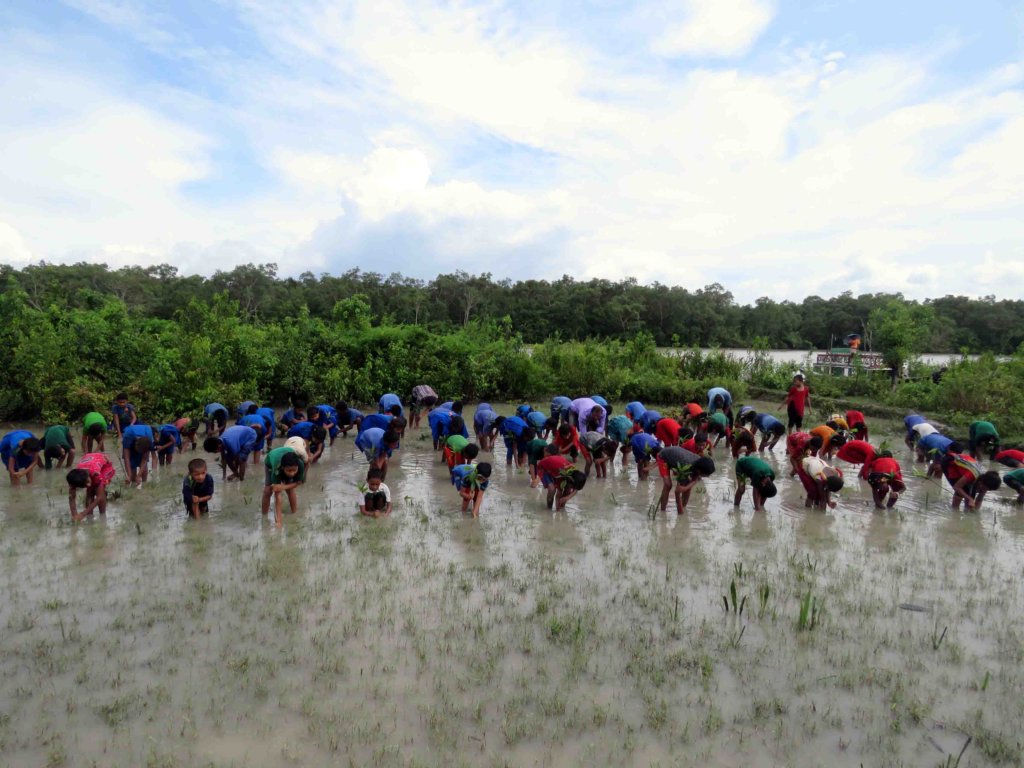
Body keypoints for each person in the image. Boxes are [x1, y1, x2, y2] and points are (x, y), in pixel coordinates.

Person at [655, 446, 715, 514]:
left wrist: (686, 487)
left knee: (687, 487)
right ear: (700, 471)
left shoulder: (700, 463)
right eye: (707, 474)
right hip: (663, 457)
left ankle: (683, 507)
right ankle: (663, 511)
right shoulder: (687, 466)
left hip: (676, 457)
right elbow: (678, 491)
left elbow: (692, 482)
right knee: (668, 485)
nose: (708, 476)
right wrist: (680, 513)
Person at [262, 446, 305, 527]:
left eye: (294, 470)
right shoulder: (277, 468)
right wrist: (279, 521)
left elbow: (299, 482)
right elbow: (277, 495)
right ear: (283, 468)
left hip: (288, 453)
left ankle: (294, 513)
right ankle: (264, 516)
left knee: (290, 490)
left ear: (297, 467)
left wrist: (284, 487)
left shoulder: (300, 464)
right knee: (267, 491)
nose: (292, 473)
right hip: (271, 460)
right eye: (289, 470)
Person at [66, 453, 116, 521]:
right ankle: (90, 517)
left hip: (103, 465)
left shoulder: (96, 474)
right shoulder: (74, 478)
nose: (88, 485)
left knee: (100, 492)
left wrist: (83, 514)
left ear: (88, 476)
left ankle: (103, 516)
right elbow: (71, 498)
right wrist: (74, 515)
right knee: (90, 492)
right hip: (89, 462)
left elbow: (100, 497)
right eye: (85, 485)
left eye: (88, 481)